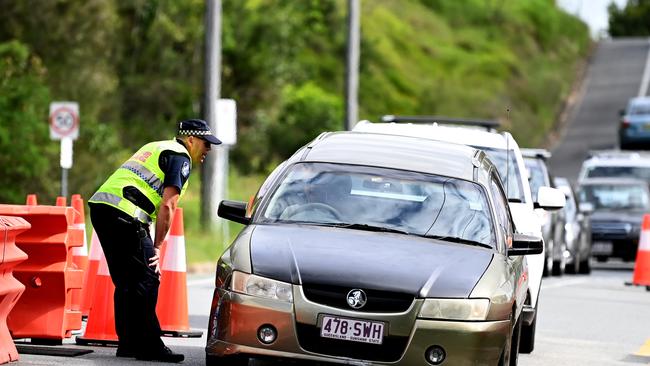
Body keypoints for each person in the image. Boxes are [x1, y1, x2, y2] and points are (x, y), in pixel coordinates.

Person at [88, 119, 221, 362]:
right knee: (148, 277)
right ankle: (150, 346)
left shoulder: (156, 146)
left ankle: (129, 343)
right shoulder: (181, 156)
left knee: (127, 281)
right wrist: (157, 247)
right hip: (125, 214)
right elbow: (168, 205)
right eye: (206, 144)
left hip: (102, 208)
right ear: (191, 140)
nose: (208, 151)